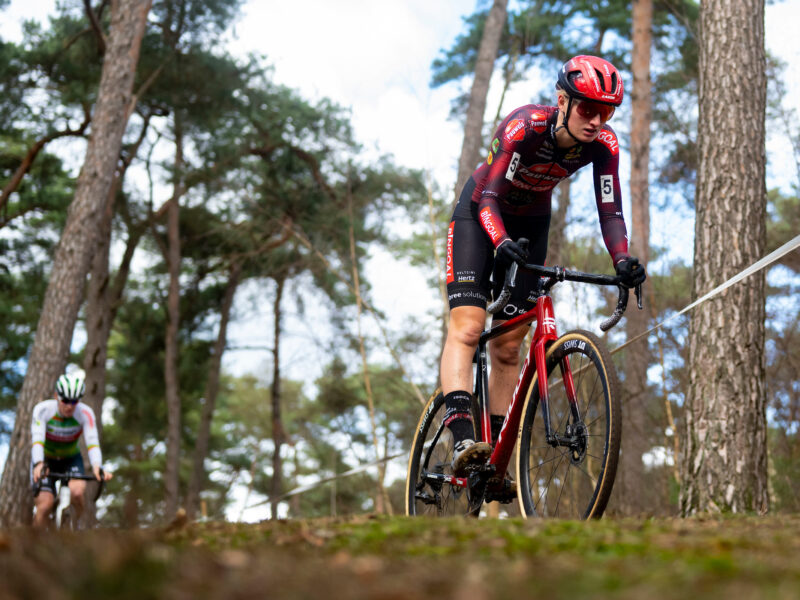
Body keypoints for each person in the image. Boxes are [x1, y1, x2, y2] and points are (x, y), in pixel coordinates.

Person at [442, 55, 647, 477]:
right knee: (467, 327)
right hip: (481, 214)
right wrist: (498, 241)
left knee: (510, 345)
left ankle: (493, 459)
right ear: (562, 100)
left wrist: (623, 259)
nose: (596, 120)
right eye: (587, 108)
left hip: (532, 223)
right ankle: (462, 435)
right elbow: (489, 198)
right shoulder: (525, 126)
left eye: (605, 112)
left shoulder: (603, 145)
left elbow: (610, 212)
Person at [31, 372, 113, 528]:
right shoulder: (43, 410)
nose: (69, 406)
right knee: (45, 505)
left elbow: (92, 442)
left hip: (71, 459)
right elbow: (37, 439)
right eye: (66, 400)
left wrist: (97, 466)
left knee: (77, 493)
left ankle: (77, 527)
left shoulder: (85, 413)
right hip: (46, 459)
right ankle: (32, 543)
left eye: (74, 401)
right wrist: (39, 463)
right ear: (56, 396)